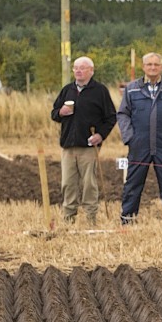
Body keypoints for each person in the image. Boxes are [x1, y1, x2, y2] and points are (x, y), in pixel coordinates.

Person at [117, 52, 162, 224]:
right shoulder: (132, 88)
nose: (153, 67)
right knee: (133, 182)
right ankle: (128, 217)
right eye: (149, 64)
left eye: (156, 64)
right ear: (143, 67)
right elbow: (123, 114)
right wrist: (129, 137)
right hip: (139, 144)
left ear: (161, 67)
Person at [50, 56, 116, 226]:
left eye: (82, 68)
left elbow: (111, 117)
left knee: (89, 183)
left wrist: (100, 135)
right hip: (68, 145)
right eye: (76, 68)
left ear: (91, 71)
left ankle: (91, 218)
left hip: (89, 146)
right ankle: (68, 218)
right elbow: (54, 113)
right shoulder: (67, 90)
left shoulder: (100, 91)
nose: (78, 71)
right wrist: (61, 113)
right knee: (68, 183)